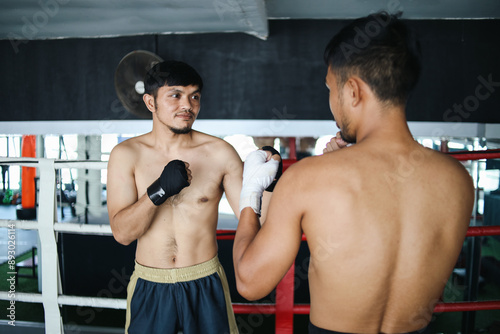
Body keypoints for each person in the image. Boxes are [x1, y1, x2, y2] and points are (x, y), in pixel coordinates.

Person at [233, 12, 474, 334]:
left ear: (353, 91)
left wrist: (251, 195)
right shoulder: (457, 179)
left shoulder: (308, 179)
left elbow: (251, 283)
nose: (332, 104)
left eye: (331, 90)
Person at [107, 60, 243, 334]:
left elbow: (254, 218)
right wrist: (158, 191)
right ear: (150, 102)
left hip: (204, 280)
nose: (187, 105)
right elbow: (122, 234)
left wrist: (270, 183)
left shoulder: (220, 153)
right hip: (149, 283)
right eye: (175, 95)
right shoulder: (126, 155)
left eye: (194, 96)